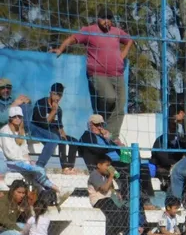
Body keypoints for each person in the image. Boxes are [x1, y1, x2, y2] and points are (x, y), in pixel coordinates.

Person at [51, 7, 132, 139]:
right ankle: (100, 118)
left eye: (110, 18)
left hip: (118, 74)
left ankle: (111, 137)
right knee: (109, 98)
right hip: (98, 73)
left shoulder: (116, 31)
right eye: (104, 18)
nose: (107, 21)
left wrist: (123, 54)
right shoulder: (89, 31)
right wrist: (61, 49)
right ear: (98, 19)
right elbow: (72, 39)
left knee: (120, 104)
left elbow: (129, 40)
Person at [79, 114, 155, 206]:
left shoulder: (103, 137)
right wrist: (109, 144)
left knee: (144, 168)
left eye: (101, 125)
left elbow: (117, 149)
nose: (99, 127)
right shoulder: (87, 136)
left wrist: (110, 139)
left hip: (119, 161)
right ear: (90, 124)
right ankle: (130, 200)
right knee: (127, 171)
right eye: (97, 125)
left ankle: (147, 199)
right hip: (107, 163)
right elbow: (98, 150)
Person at [1, 107, 63, 199]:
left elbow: (24, 149)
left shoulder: (21, 131)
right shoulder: (5, 131)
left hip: (19, 162)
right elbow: (9, 153)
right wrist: (25, 161)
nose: (17, 119)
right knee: (37, 169)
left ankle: (44, 189)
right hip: (9, 162)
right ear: (10, 118)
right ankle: (50, 186)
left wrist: (28, 160)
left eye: (19, 116)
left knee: (35, 169)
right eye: (15, 117)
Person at [29, 83, 79, 173]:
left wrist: (64, 135)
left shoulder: (59, 110)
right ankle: (64, 167)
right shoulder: (41, 103)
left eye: (60, 95)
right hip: (39, 129)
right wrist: (53, 111)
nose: (57, 98)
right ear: (51, 93)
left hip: (52, 131)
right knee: (58, 139)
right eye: (55, 94)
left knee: (73, 141)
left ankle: (70, 167)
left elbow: (60, 127)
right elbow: (44, 124)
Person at [88, 154, 127, 235]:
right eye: (107, 165)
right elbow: (104, 189)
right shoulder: (95, 175)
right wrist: (111, 176)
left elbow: (111, 189)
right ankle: (115, 233)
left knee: (124, 208)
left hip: (109, 200)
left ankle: (121, 231)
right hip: (99, 201)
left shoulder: (105, 176)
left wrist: (116, 193)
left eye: (110, 165)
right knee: (110, 205)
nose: (109, 168)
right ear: (99, 165)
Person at [151, 106, 186, 185]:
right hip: (164, 167)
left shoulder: (179, 141)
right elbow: (159, 157)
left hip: (174, 166)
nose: (173, 128)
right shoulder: (160, 141)